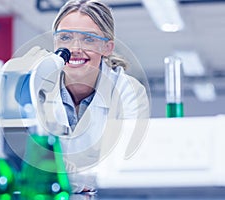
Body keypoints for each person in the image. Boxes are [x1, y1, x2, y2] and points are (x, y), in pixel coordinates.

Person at [44, 0, 150, 193]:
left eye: (88, 39)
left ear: (107, 48)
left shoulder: (129, 92)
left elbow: (126, 167)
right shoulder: (36, 87)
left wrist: (65, 180)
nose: (74, 49)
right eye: (65, 37)